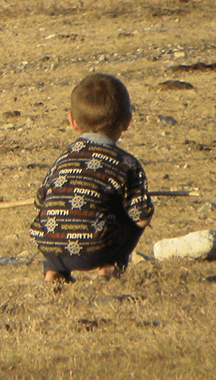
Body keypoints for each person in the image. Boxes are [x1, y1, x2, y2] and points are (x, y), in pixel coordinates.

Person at [29, 73, 154, 282]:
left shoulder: (63, 158)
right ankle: (111, 265)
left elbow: (39, 201)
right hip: (96, 249)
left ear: (72, 121)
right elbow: (141, 212)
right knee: (134, 215)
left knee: (56, 217)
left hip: (48, 246)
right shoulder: (127, 163)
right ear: (127, 121)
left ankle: (53, 270)